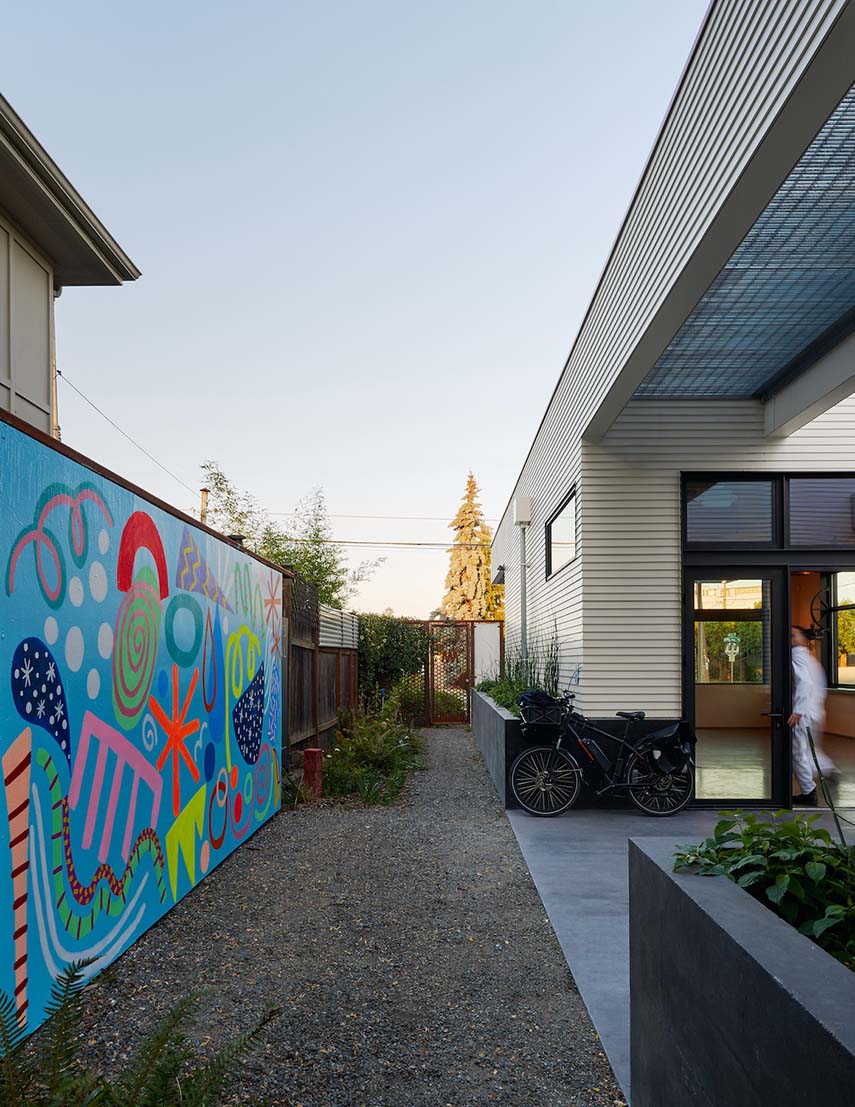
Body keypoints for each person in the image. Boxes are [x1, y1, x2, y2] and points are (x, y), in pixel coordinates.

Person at [789, 625, 838, 806]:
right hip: (815, 711)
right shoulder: (811, 659)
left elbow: (805, 683)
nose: (790, 639)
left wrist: (798, 710)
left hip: (804, 714)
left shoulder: (796, 656)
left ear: (803, 640)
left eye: (793, 635)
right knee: (808, 750)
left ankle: (808, 791)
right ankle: (828, 770)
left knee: (798, 753)